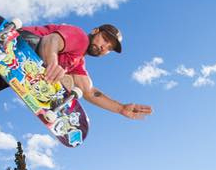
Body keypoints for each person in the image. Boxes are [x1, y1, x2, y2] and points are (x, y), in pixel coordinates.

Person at [19, 23, 153, 120]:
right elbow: (51, 40)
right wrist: (52, 63)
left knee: (70, 84)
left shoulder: (78, 62)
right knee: (63, 80)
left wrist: (120, 108)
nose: (103, 47)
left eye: (109, 48)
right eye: (105, 39)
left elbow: (89, 92)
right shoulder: (80, 37)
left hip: (18, 65)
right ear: (95, 31)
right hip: (22, 41)